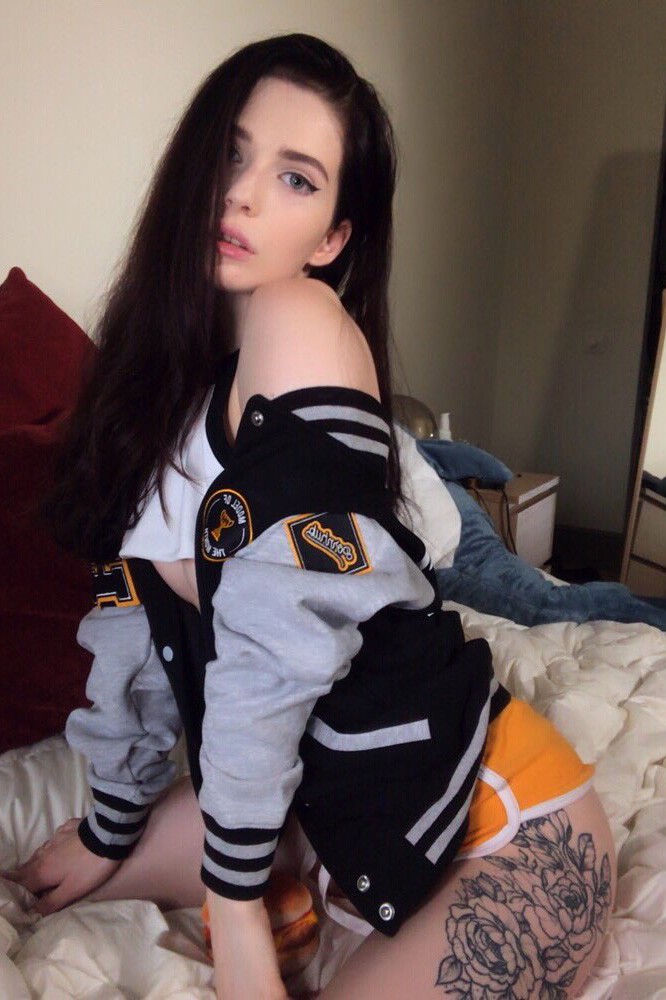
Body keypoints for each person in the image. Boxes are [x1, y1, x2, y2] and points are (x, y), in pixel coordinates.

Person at [5, 34, 616, 999]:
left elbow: (277, 633)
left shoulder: (299, 321)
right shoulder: (154, 392)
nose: (241, 195)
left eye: (295, 178)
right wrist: (112, 825)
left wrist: (236, 900)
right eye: (231, 153)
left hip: (507, 827)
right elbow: (133, 633)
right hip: (315, 812)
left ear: (331, 239)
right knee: (44, 878)